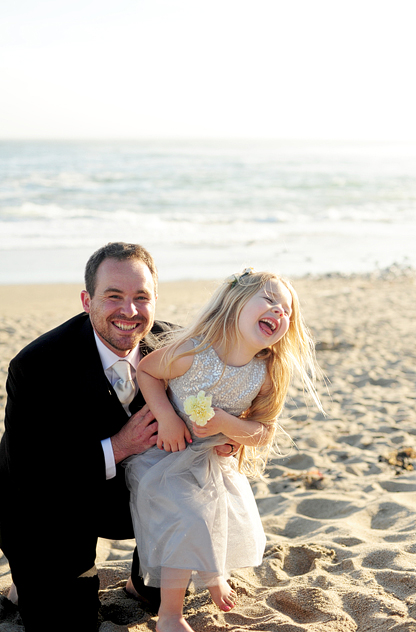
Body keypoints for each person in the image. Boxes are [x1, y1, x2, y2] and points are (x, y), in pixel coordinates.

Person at [125, 268, 321, 632]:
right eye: (270, 300)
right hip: (168, 455)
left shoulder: (265, 372)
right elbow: (147, 372)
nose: (280, 312)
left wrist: (224, 425)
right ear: (234, 303)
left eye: (288, 311)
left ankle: (213, 574)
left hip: (214, 457)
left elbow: (263, 433)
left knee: (217, 514)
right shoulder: (195, 351)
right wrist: (166, 417)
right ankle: (170, 615)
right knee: (191, 517)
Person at [0, 243, 180, 630]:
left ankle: (139, 581)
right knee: (66, 621)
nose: (129, 311)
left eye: (141, 298)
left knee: (158, 595)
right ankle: (27, 579)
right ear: (87, 300)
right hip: (50, 504)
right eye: (113, 296)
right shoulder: (36, 366)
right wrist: (120, 445)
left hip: (138, 500)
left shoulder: (177, 351)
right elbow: (29, 475)